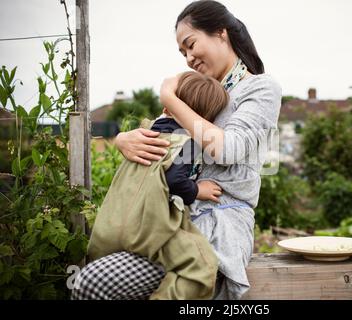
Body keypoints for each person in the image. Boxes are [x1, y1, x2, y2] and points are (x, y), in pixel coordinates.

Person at [71, 0, 282, 300]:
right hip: (169, 217)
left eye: (191, 44)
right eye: (182, 52)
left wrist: (169, 95)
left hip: (218, 225)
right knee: (93, 275)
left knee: (93, 282)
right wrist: (123, 140)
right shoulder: (199, 92)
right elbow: (168, 134)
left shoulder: (260, 88)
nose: (188, 57)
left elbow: (228, 149)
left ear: (221, 33)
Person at [86, 71, 229, 300]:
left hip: (111, 227)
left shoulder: (147, 132)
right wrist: (199, 190)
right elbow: (175, 181)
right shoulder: (189, 141)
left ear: (166, 110)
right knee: (203, 266)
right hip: (148, 228)